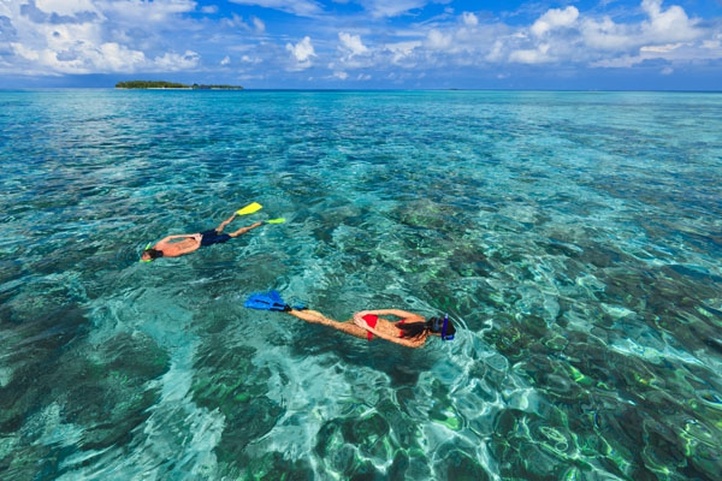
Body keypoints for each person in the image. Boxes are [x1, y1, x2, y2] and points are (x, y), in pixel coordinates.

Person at [244, 291, 456, 348]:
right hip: (368, 331)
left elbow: (391, 309)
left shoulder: (417, 317)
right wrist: (366, 328)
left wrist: (366, 313)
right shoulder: (419, 342)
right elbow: (392, 340)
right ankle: (286, 309)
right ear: (438, 333)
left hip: (371, 318)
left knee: (330, 319)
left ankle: (304, 308)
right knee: (328, 323)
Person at [141, 212, 263, 261]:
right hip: (194, 237)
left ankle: (257, 224)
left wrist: (199, 242)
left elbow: (193, 249)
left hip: (200, 241)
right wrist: (191, 235)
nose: (143, 257)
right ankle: (235, 215)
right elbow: (171, 237)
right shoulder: (159, 245)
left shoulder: (171, 254)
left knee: (234, 234)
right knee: (219, 229)